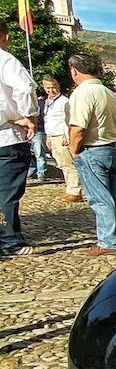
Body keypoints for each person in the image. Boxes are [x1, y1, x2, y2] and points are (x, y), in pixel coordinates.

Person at [67, 54, 116, 255]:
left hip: (93, 149)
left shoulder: (83, 93)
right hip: (113, 146)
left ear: (74, 71)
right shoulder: (111, 94)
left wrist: (73, 150)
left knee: (100, 198)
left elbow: (79, 127)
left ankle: (108, 242)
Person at [0, 19, 36, 258]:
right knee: (8, 193)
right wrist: (25, 115)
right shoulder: (6, 60)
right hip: (6, 138)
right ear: (5, 36)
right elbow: (24, 88)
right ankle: (10, 240)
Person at [41, 74, 81, 200]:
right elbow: (48, 120)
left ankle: (75, 191)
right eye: (47, 88)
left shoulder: (64, 101)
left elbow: (69, 120)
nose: (50, 90)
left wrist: (67, 135)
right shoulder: (47, 102)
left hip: (62, 136)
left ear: (58, 86)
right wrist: (48, 137)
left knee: (68, 164)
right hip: (52, 137)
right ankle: (69, 188)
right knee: (62, 164)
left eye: (53, 87)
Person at [30, 90, 48, 180]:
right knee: (34, 152)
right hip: (35, 130)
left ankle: (41, 173)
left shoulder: (41, 103)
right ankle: (33, 171)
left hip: (39, 130)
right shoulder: (40, 102)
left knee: (39, 153)